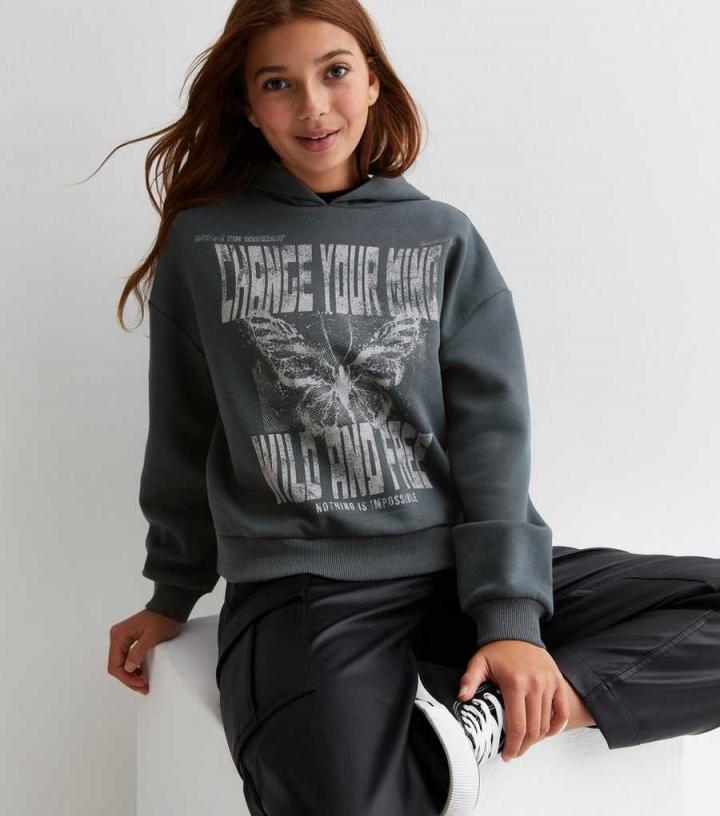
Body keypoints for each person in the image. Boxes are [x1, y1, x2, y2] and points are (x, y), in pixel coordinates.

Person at [106, 3, 720, 815]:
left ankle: (495, 718)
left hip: (455, 565)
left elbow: (492, 437)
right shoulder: (205, 244)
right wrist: (171, 592)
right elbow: (184, 433)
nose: (314, 106)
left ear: (372, 81)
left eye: (334, 72)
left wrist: (511, 621)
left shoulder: (443, 237)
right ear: (246, 106)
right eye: (278, 84)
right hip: (306, 589)